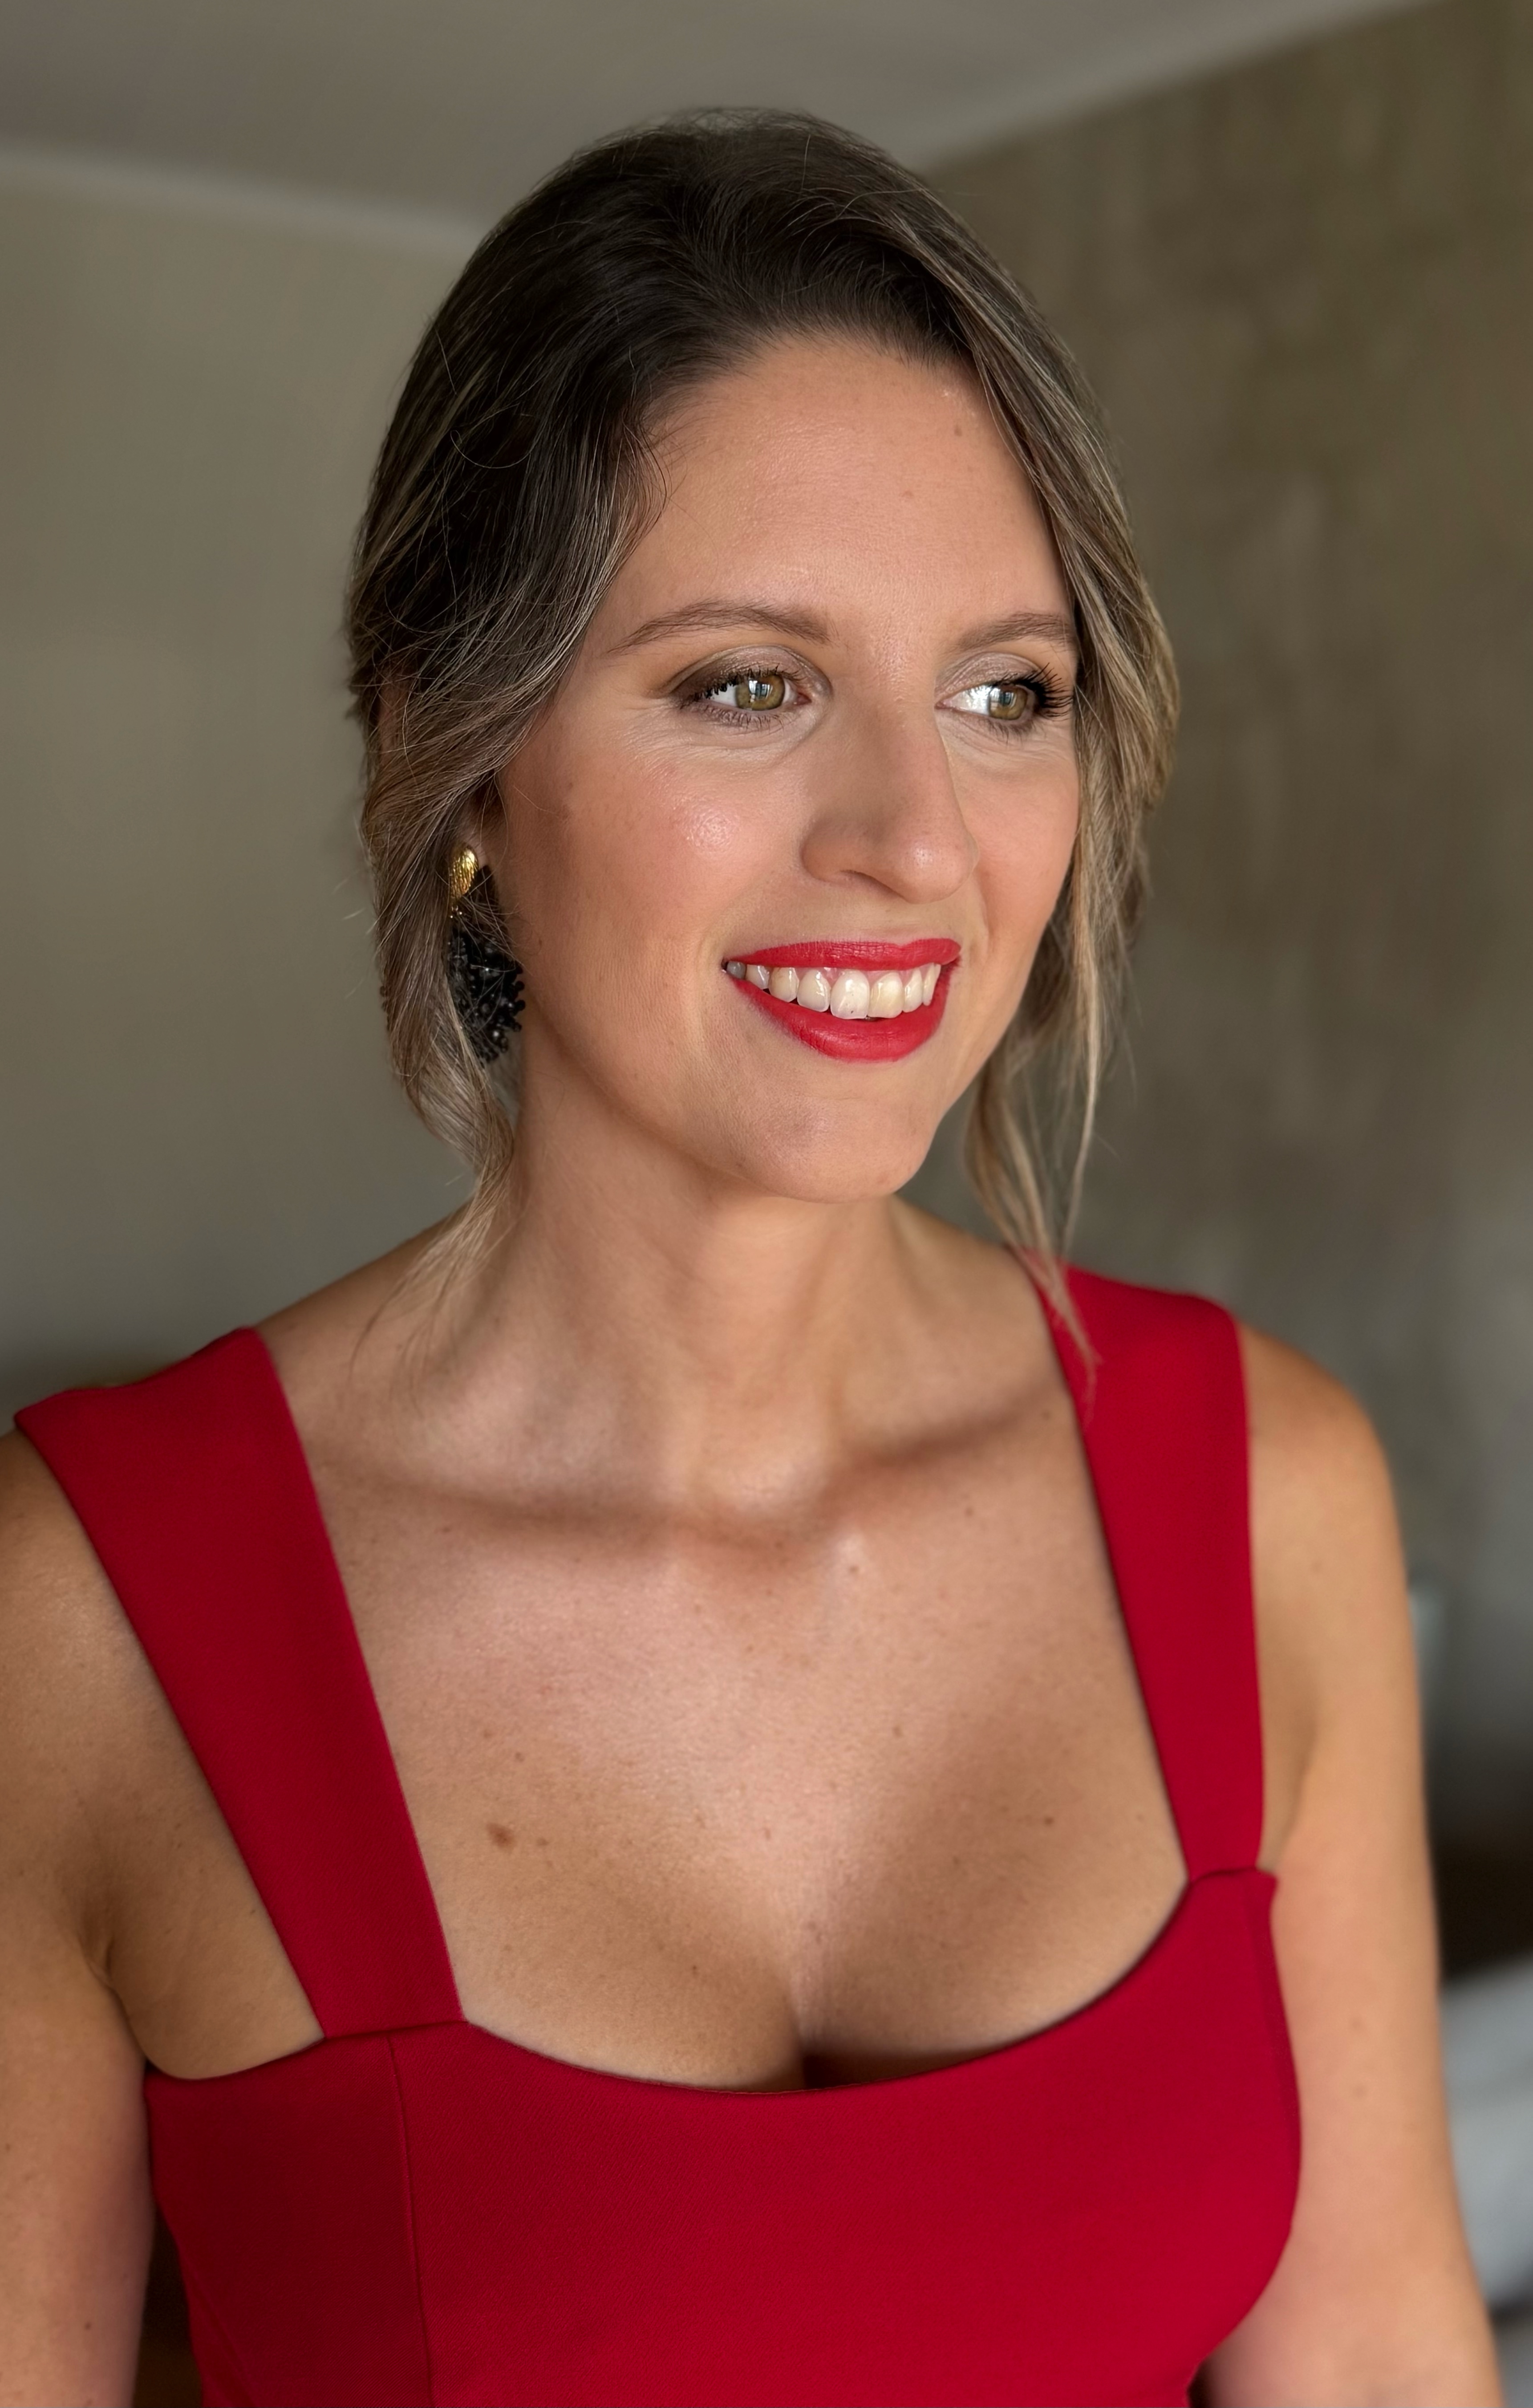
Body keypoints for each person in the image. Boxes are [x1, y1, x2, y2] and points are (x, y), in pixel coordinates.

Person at [0, 109, 1498, 2408]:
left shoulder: (1270, 1490)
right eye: (746, 683)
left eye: (1003, 693)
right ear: (453, 752)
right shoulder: (85, 1615)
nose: (913, 838)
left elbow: (1380, 2357)